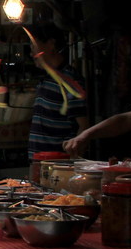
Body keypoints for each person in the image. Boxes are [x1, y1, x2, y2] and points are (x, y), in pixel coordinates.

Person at [27, 23, 89, 155]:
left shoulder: (70, 81)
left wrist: (72, 161)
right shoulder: (46, 79)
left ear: (51, 44)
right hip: (39, 161)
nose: (31, 53)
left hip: (58, 163)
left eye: (34, 45)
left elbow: (83, 126)